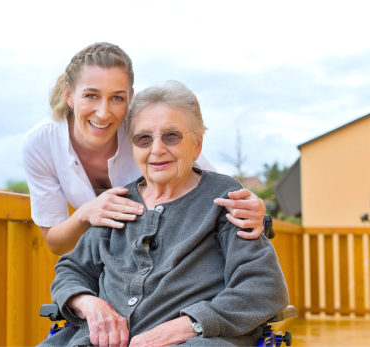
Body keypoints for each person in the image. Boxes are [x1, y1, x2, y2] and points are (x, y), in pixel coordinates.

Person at [38, 81, 288, 347]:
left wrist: (191, 324)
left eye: (171, 136)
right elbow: (71, 270)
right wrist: (87, 303)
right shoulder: (117, 202)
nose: (156, 149)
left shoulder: (224, 199)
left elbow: (263, 287)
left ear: (197, 145)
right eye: (144, 138)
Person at [22, 42, 266, 256]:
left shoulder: (145, 128)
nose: (103, 112)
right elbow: (56, 243)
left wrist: (255, 210)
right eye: (91, 96)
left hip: (166, 259)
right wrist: (85, 213)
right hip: (113, 266)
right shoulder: (41, 144)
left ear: (130, 96)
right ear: (69, 95)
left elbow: (208, 182)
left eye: (117, 98)